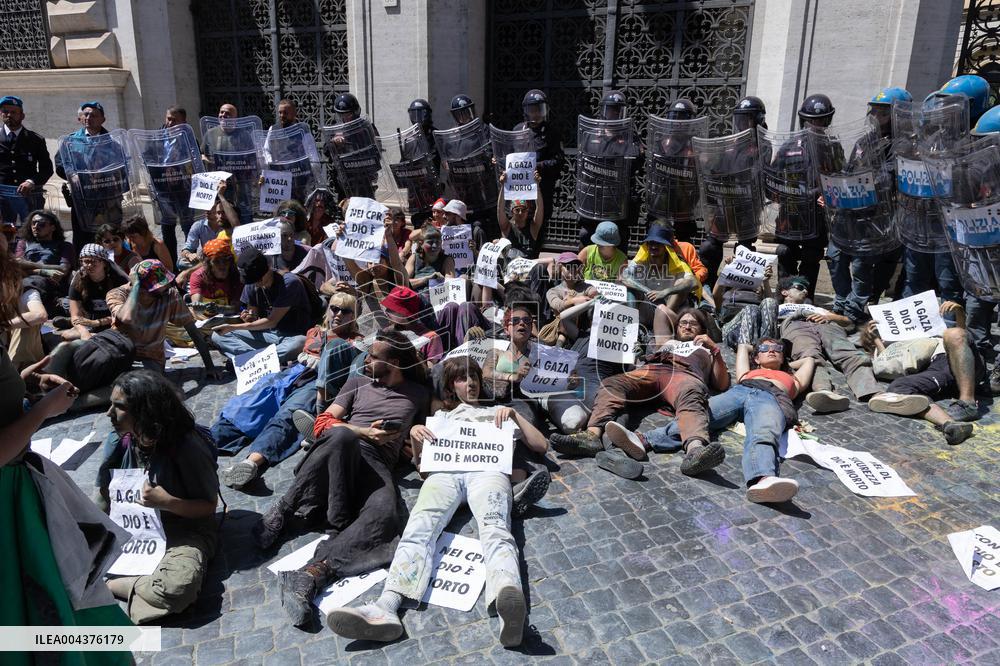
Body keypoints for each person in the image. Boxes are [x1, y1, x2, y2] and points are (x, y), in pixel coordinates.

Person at [327, 357, 544, 646]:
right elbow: (424, 469)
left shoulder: (498, 413)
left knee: (496, 529)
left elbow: (541, 446)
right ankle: (386, 606)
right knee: (419, 527)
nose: (471, 383)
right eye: (462, 378)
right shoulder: (442, 419)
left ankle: (507, 598)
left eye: (474, 377)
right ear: (451, 387)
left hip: (487, 473)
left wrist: (515, 417)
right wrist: (417, 439)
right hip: (445, 475)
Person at [1, 223, 133, 662]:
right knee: (38, 614)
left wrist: (28, 383)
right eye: (6, 262)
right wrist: (44, 411)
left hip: (21, 492)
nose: (16, 272)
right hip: (8, 506)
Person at [254, 331, 429, 626]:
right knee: (341, 434)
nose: (366, 360)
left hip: (376, 464)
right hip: (340, 449)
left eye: (374, 356)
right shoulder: (357, 382)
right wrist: (364, 431)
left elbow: (430, 432)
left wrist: (410, 439)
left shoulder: (419, 394)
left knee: (386, 511)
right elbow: (323, 423)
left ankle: (313, 573)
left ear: (394, 362)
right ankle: (282, 511)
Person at [97, 370, 219, 624]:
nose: (109, 413)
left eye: (119, 407)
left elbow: (208, 507)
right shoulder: (119, 440)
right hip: (135, 532)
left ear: (146, 411)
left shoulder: (187, 446)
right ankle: (133, 584)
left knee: (178, 588)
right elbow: (103, 497)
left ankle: (115, 585)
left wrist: (167, 502)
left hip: (182, 531)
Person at [551, 308, 730, 478]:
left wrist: (715, 349)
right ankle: (591, 435)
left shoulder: (707, 349)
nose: (687, 326)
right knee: (612, 383)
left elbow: (721, 384)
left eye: (693, 323)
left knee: (691, 394)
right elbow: (636, 366)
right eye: (683, 323)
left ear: (702, 329)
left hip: (684, 376)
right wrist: (635, 356)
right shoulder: (668, 343)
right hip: (652, 370)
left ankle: (695, 451)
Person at [215, 292, 361, 490]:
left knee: (288, 415)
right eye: (334, 308)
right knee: (248, 405)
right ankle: (209, 442)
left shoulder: (355, 341)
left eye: (345, 311)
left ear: (353, 316)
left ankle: (250, 463)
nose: (338, 314)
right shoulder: (314, 332)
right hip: (291, 373)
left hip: (317, 382)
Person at [645, 339, 816, 503]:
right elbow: (743, 347)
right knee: (698, 414)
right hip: (741, 390)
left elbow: (808, 360)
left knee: (764, 432)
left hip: (772, 398)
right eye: (764, 349)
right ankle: (645, 439)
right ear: (756, 358)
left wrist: (784, 364)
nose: (771, 350)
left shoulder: (794, 379)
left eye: (777, 349)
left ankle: (763, 479)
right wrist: (765, 354)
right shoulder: (746, 373)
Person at [864, 301, 982, 445]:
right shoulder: (889, 348)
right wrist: (877, 340)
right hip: (939, 368)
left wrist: (959, 312)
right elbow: (890, 364)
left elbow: (961, 338)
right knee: (899, 387)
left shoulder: (932, 335)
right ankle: (950, 425)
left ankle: (967, 402)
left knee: (954, 333)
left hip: (963, 360)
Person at [776, 275, 879, 413]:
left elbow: (848, 322)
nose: (805, 291)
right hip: (794, 324)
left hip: (826, 324)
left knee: (848, 352)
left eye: (806, 289)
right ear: (785, 292)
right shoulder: (778, 307)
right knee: (809, 355)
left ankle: (875, 392)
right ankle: (823, 391)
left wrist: (828, 316)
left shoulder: (815, 307)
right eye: (800, 287)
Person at [699, 95, 767, 286]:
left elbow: (758, 174)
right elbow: (717, 168)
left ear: (757, 119)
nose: (742, 123)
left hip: (747, 206)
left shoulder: (763, 145)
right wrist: (708, 167)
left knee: (744, 250)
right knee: (709, 247)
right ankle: (707, 286)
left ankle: (737, 289)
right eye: (740, 119)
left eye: (746, 118)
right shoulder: (732, 143)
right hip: (725, 204)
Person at [102, 259, 217, 373]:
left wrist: (210, 367)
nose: (167, 285)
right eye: (161, 284)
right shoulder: (117, 294)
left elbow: (192, 330)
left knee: (148, 383)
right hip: (123, 352)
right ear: (144, 288)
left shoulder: (169, 294)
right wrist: (136, 285)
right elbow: (127, 317)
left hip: (151, 356)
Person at [773, 94, 834, 301]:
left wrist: (829, 197)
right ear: (803, 120)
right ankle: (785, 297)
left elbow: (839, 178)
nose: (816, 125)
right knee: (784, 252)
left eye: (821, 120)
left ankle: (806, 298)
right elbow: (772, 179)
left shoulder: (832, 147)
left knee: (811, 257)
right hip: (790, 215)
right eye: (811, 120)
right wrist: (781, 195)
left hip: (816, 217)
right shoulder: (788, 147)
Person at [212, 246, 312, 363]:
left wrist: (232, 327)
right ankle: (260, 359)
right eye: (251, 280)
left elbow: (272, 321)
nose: (256, 283)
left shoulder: (289, 283)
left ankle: (248, 359)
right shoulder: (252, 284)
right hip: (267, 334)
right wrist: (249, 318)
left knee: (299, 344)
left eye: (258, 279)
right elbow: (252, 318)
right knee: (218, 335)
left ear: (268, 268)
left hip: (291, 335)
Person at [55, 101, 123, 252]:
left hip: (107, 200)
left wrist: (106, 175)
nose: (88, 118)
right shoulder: (70, 141)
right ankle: (84, 268)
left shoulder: (113, 142)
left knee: (109, 236)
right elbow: (60, 164)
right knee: (82, 238)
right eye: (85, 114)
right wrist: (74, 176)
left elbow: (122, 169)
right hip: (82, 200)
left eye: (93, 115)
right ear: (80, 118)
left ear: (102, 119)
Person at [621, 223, 706, 342]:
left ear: (666, 246)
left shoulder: (678, 264)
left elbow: (694, 283)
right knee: (630, 288)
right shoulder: (641, 261)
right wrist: (648, 291)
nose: (653, 246)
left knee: (682, 283)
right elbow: (624, 277)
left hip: (668, 311)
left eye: (658, 243)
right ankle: (633, 329)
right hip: (646, 310)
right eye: (650, 243)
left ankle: (663, 326)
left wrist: (665, 292)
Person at [513, 89, 565, 238]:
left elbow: (559, 161)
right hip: (520, 188)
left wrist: (539, 166)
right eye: (532, 110)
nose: (535, 114)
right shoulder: (518, 130)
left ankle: (535, 255)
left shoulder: (552, 132)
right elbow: (510, 154)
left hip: (541, 188)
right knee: (518, 223)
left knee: (538, 226)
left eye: (538, 110)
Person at [62, 242, 127, 342]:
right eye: (86, 261)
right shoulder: (78, 280)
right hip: (90, 321)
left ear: (104, 263)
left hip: (114, 322)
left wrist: (98, 322)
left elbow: (124, 314)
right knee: (66, 335)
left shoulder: (119, 279)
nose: (89, 265)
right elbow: (75, 315)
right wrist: (84, 332)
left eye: (93, 261)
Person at [0, 95, 52, 216]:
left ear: (22, 115)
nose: (9, 115)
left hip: (28, 199)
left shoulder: (35, 140)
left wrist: (31, 182)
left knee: (28, 233)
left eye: (13, 112)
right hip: (2, 200)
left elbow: (47, 169)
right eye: (5, 111)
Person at [14, 209, 74, 307]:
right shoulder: (24, 244)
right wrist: (42, 271)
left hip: (50, 285)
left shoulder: (65, 246)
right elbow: (17, 265)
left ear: (52, 227)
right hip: (25, 281)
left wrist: (28, 267)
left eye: (41, 224)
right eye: (33, 223)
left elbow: (63, 269)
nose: (36, 226)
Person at [545, 251, 598, 346]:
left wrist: (594, 295)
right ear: (560, 268)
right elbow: (558, 305)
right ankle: (559, 346)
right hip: (560, 331)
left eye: (576, 267)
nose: (573, 270)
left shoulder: (585, 287)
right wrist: (574, 301)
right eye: (569, 267)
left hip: (582, 331)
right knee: (564, 316)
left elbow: (594, 293)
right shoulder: (553, 291)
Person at [497, 170, 544, 258]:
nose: (520, 213)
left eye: (523, 209)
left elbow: (540, 208)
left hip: (529, 266)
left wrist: (537, 185)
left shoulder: (533, 227)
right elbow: (500, 209)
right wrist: (503, 185)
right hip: (511, 266)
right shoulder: (507, 227)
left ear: (528, 211)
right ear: (512, 211)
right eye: (517, 210)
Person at [187, 238, 243, 311]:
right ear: (208, 263)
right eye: (216, 261)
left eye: (226, 260)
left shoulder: (236, 276)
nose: (222, 265)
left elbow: (236, 307)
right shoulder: (198, 276)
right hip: (204, 316)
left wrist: (219, 308)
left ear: (231, 261)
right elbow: (196, 305)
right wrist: (197, 306)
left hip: (228, 316)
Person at [405, 224, 454, 291]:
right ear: (421, 243)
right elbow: (404, 283)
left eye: (438, 242)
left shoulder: (447, 260)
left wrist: (442, 281)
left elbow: (451, 285)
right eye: (430, 242)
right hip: (414, 298)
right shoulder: (414, 257)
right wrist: (427, 279)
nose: (434, 245)